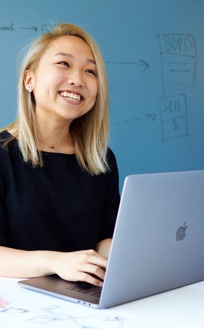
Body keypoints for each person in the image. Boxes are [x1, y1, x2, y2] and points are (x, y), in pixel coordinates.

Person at [0, 23, 120, 287]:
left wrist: (123, 256)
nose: (77, 79)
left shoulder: (101, 159)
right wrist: (56, 262)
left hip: (83, 297)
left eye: (90, 71)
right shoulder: (3, 155)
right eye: (64, 64)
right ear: (29, 80)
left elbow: (104, 238)